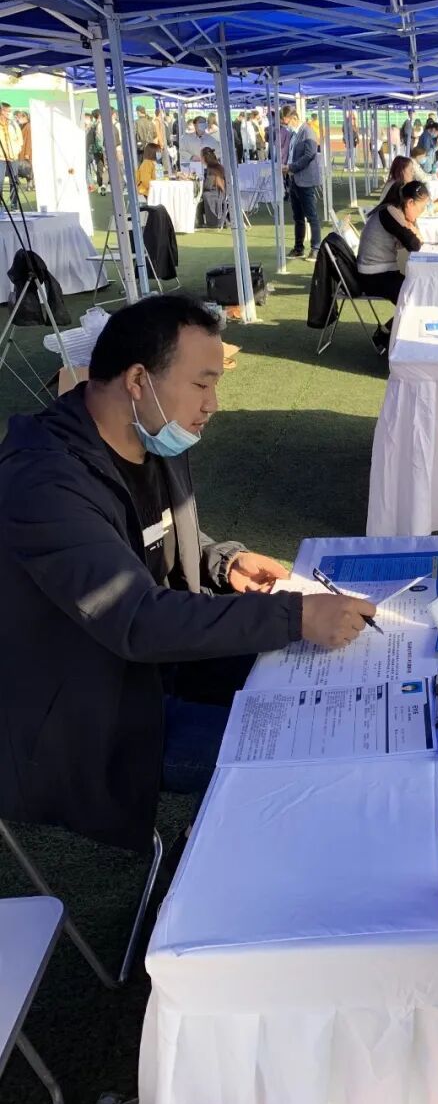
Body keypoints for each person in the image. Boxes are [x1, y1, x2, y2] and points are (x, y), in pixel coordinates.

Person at [0, 294, 373, 852]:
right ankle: (204, 868)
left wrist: (223, 560)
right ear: (137, 380)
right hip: (90, 712)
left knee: (325, 683)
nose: (212, 404)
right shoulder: (43, 482)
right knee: (297, 747)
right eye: (202, 384)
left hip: (160, 662)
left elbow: (151, 535)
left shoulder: (151, 432)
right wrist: (295, 615)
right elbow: (135, 616)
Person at [357, 178, 430, 354]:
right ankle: (386, 335)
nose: (420, 214)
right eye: (420, 209)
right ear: (410, 203)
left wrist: (412, 228)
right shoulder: (390, 212)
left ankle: (388, 332)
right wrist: (413, 229)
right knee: (416, 296)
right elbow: (414, 245)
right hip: (373, 276)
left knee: (418, 292)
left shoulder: (393, 211)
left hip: (380, 272)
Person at [281, 104, 322, 260]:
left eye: (286, 121)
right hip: (294, 179)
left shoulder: (307, 132)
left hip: (305, 180)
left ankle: (316, 248)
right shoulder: (294, 134)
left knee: (311, 216)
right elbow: (292, 153)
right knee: (298, 217)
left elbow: (309, 155)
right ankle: (299, 248)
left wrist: (291, 167)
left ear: (294, 118)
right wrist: (287, 166)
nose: (286, 125)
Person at [200, 146, 228, 227]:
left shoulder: (212, 169)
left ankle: (210, 222)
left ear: (204, 158)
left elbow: (208, 186)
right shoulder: (218, 166)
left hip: (217, 194)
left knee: (202, 196)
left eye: (201, 156)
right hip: (221, 192)